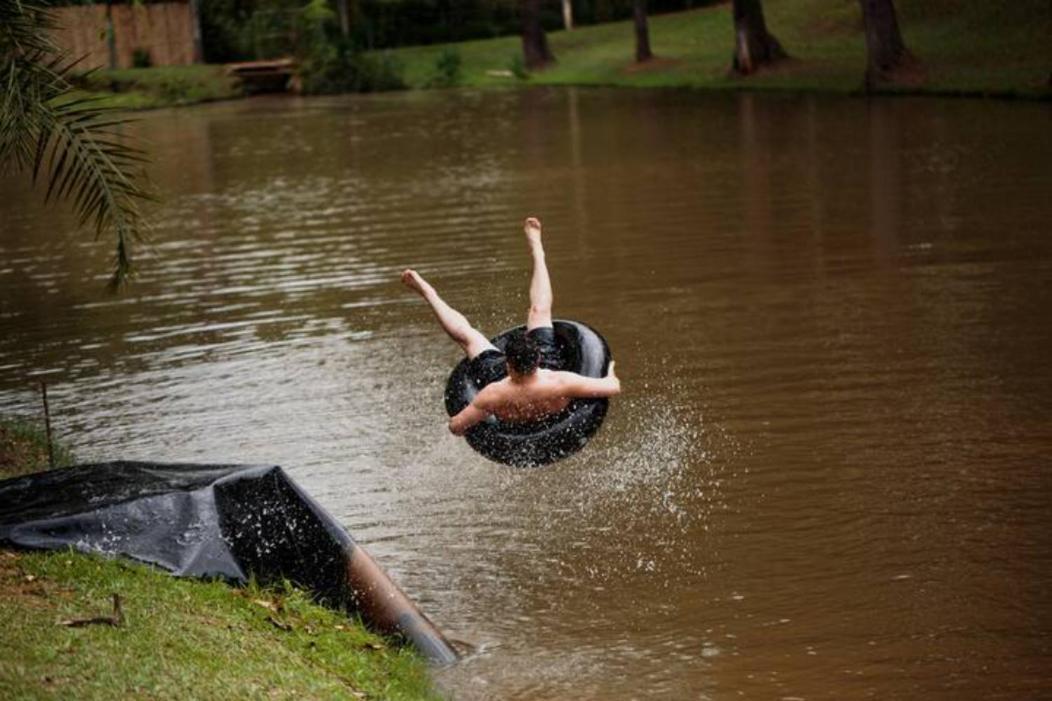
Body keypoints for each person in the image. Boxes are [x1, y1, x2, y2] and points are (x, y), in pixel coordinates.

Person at [401, 217, 620, 436]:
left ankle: (429, 293)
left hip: (506, 394)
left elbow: (456, 427)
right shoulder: (561, 382)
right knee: (539, 312)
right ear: (538, 359)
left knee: (468, 338)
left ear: (507, 364)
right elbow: (613, 387)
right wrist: (608, 370)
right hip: (549, 387)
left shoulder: (492, 395)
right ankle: (538, 250)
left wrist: (485, 417)